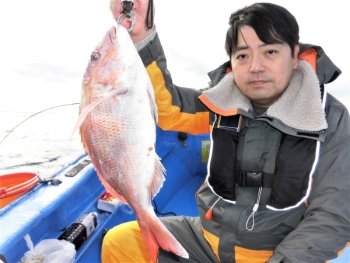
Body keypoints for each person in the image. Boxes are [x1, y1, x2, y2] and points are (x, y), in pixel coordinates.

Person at [102, 1, 350, 262]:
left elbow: (334, 215)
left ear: (294, 54)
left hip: (273, 253)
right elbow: (169, 109)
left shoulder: (329, 117)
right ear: (232, 61)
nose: (255, 67)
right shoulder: (220, 101)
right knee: (121, 243)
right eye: (243, 55)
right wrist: (141, 34)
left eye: (270, 52)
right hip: (207, 239)